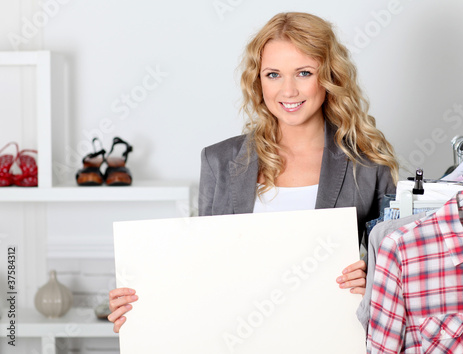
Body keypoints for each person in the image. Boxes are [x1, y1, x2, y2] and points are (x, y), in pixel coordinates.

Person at [108, 11, 398, 334]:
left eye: (303, 72)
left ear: (329, 76)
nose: (288, 91)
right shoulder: (219, 161)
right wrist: (142, 303)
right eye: (273, 75)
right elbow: (204, 270)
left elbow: (400, 279)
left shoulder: (368, 166)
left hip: (327, 340)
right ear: (258, 80)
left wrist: (370, 281)